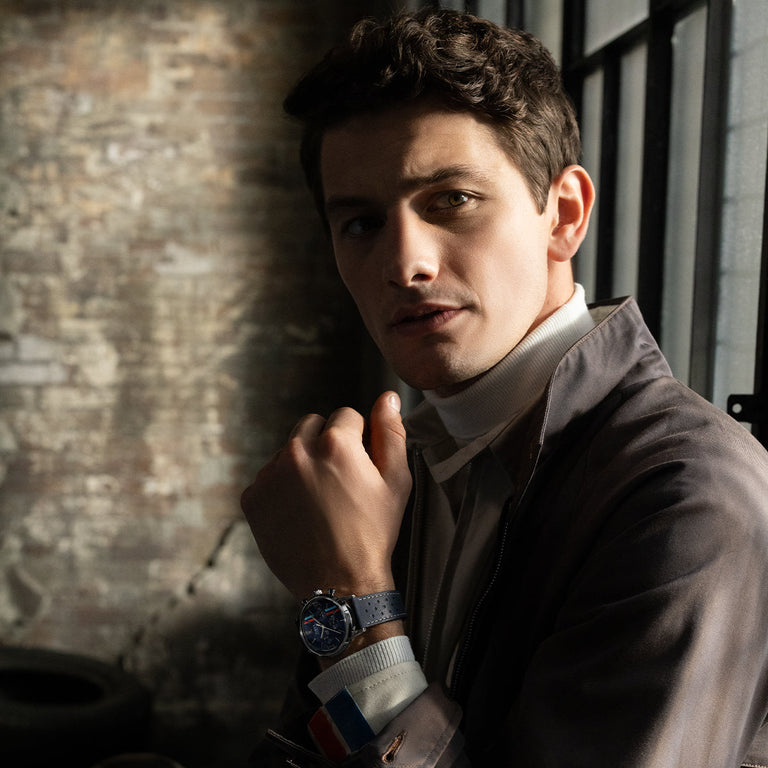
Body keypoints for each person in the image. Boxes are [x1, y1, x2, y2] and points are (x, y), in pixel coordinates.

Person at [240, 9, 768, 767]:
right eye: (359, 223)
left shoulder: (692, 499)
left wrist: (348, 601)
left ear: (566, 215)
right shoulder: (395, 468)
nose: (404, 264)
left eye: (451, 200)